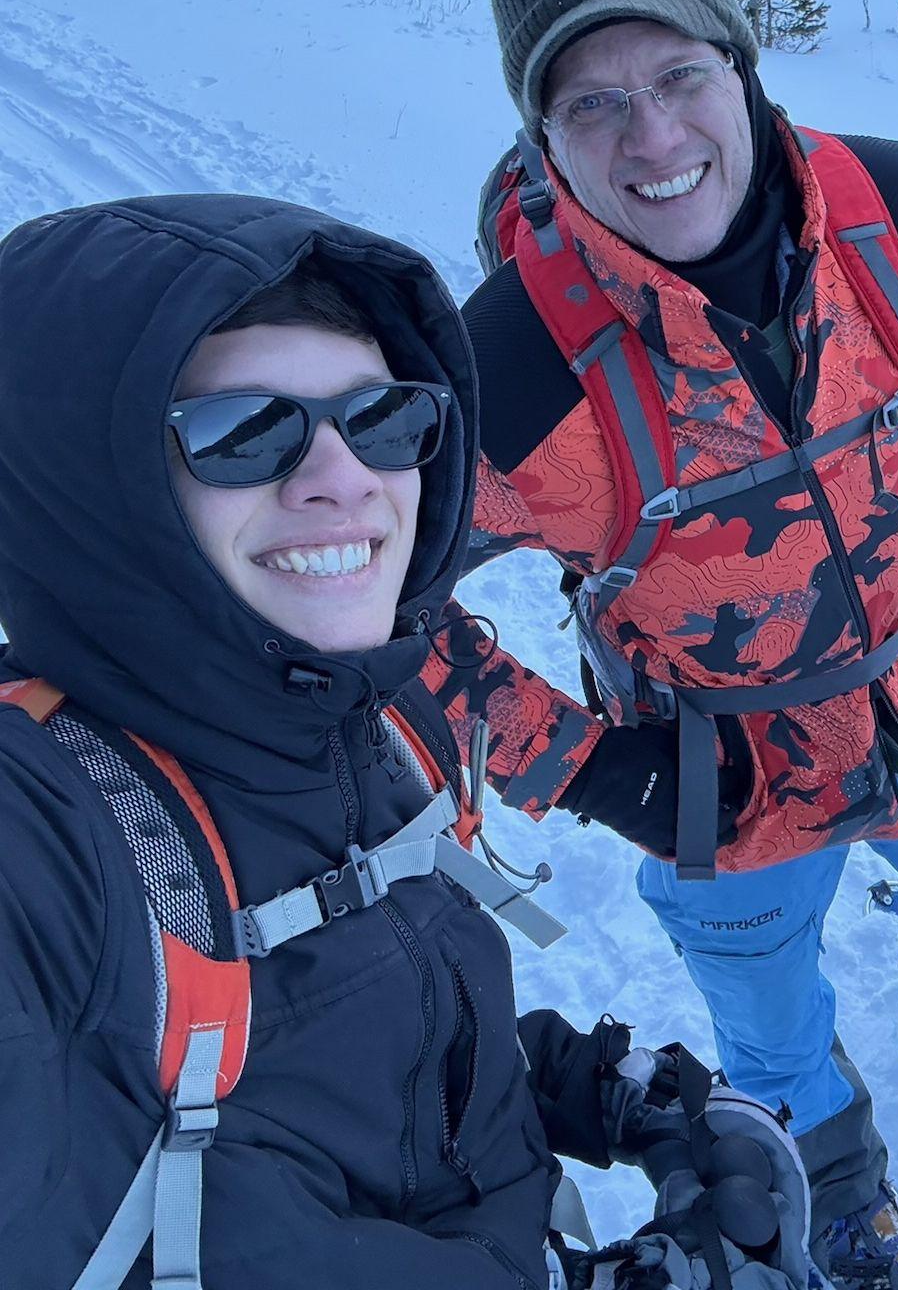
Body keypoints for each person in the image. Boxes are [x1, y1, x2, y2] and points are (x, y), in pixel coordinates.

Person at [427, 0, 898, 1287]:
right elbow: (375, 618)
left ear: (743, 65)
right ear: (543, 140)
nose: (653, 140)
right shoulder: (518, 374)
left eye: (677, 78)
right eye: (591, 106)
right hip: (723, 778)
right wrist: (595, 772)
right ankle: (834, 1179)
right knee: (769, 1017)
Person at [0, 196, 809, 1290]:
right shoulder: (43, 832)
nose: (344, 478)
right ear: (90, 489)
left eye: (384, 421)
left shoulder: (372, 717)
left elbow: (336, 1033)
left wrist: (577, 1083)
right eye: (243, 432)